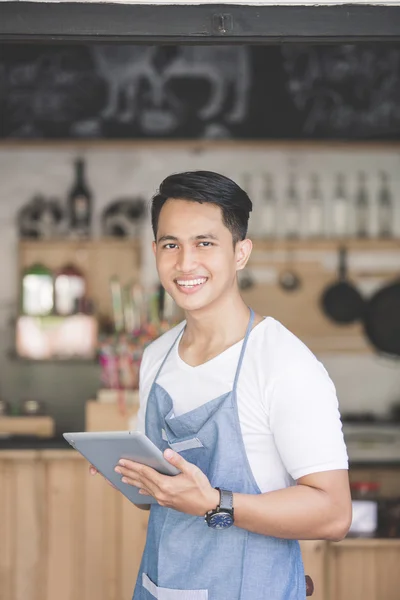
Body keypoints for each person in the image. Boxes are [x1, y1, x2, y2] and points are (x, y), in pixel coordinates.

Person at [92, 171, 351, 599]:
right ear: (155, 251)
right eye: (170, 244)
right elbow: (161, 500)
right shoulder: (156, 357)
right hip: (160, 588)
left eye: (205, 243)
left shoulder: (284, 363)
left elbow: (334, 514)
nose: (185, 263)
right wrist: (130, 473)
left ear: (240, 253)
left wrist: (215, 502)